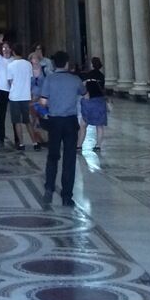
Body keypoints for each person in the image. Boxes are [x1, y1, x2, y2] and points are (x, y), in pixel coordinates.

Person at [37, 51, 85, 208]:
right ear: (66, 63)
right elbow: (84, 93)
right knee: (69, 159)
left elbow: (43, 101)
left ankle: (49, 189)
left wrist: (52, 104)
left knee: (53, 156)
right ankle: (66, 197)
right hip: (70, 122)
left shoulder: (49, 79)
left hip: (55, 121)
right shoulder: (75, 79)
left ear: (54, 63)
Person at [7, 42, 36, 151]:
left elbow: (10, 82)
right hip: (26, 95)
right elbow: (31, 78)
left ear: (13, 52)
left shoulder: (11, 65)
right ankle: (35, 142)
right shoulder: (28, 64)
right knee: (27, 121)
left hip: (15, 96)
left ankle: (22, 144)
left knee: (17, 121)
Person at [78, 79, 108, 151]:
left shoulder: (85, 98)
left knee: (82, 128)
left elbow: (84, 108)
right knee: (99, 128)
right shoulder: (102, 98)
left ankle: (79, 145)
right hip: (100, 116)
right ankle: (98, 145)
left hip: (87, 115)